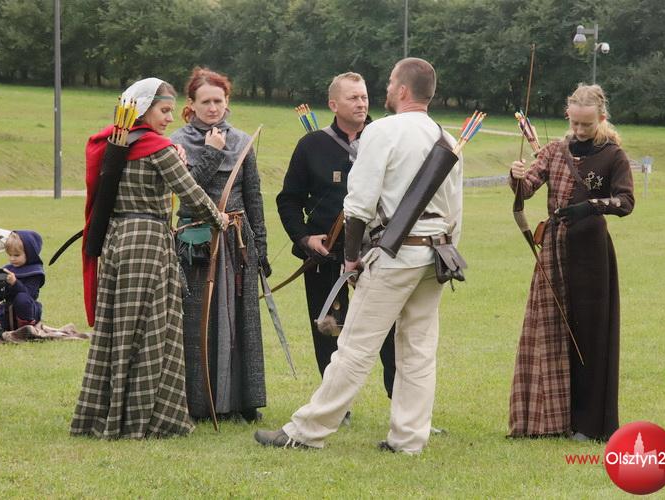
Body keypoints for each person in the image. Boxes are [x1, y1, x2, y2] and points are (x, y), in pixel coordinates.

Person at [255, 58, 463, 454]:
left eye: (390, 82)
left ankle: (306, 432)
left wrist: (350, 257)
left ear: (403, 90)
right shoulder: (446, 138)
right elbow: (455, 212)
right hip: (437, 254)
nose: (384, 90)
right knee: (418, 350)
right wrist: (445, 255)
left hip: (395, 256)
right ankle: (408, 439)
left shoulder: (381, 131)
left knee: (354, 346)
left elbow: (359, 205)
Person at [71, 77, 228, 439]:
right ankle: (148, 419)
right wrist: (218, 219)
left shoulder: (115, 143)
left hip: (117, 240)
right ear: (143, 110)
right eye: (164, 110)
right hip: (147, 242)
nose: (170, 118)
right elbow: (191, 194)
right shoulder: (157, 148)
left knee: (119, 329)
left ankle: (108, 415)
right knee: (153, 328)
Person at [507, 83, 635, 442]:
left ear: (602, 118)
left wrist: (589, 207)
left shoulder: (613, 156)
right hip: (554, 250)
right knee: (549, 331)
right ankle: (549, 419)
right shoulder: (554, 150)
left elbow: (625, 201)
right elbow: (528, 187)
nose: (579, 130)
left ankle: (590, 425)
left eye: (587, 124)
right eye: (574, 123)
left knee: (590, 335)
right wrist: (517, 176)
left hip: (591, 254)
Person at [276, 72, 396, 413]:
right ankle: (333, 409)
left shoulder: (385, 139)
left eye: (364, 96)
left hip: (378, 252)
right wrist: (303, 238)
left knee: (391, 331)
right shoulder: (312, 145)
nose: (361, 103)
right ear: (333, 104)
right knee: (329, 331)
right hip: (327, 254)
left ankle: (402, 404)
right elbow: (289, 199)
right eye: (352, 98)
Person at [171, 67, 268, 423]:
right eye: (205, 102)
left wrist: (261, 249)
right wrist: (211, 153)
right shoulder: (178, 141)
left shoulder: (242, 141)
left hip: (238, 241)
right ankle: (200, 403)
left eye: (218, 101)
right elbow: (187, 193)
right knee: (199, 322)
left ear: (227, 102)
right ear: (192, 104)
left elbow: (253, 197)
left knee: (242, 323)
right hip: (197, 241)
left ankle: (244, 402)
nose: (212, 108)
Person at [0, 230, 45, 331]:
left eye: (16, 255)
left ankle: (26, 328)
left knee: (22, 298)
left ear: (30, 254)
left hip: (28, 312)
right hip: (8, 311)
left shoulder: (35, 272)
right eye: (10, 255)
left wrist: (14, 283)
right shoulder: (8, 269)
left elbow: (29, 294)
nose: (12, 259)